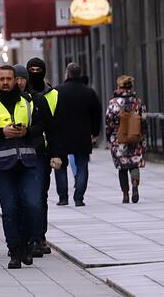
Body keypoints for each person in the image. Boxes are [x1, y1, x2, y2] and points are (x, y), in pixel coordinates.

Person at [0, 65, 44, 269]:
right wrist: (2, 132)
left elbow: (41, 127)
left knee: (32, 205)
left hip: (27, 162)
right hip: (1, 165)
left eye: (9, 79)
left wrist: (26, 132)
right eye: (1, 79)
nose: (5, 82)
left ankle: (27, 243)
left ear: (16, 80)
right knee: (10, 209)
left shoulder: (28, 101)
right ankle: (15, 251)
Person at [25, 58, 62, 257]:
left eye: (39, 69)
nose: (35, 73)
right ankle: (30, 235)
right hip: (25, 149)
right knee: (30, 197)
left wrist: (57, 152)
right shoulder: (22, 95)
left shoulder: (53, 94)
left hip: (44, 150)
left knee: (41, 195)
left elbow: (56, 125)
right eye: (32, 70)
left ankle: (39, 235)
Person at [52, 63, 102, 207]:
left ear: (67, 74)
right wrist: (95, 132)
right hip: (82, 134)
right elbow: (96, 113)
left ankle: (63, 197)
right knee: (82, 165)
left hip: (61, 135)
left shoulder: (57, 91)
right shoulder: (89, 92)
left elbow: (51, 113)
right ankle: (79, 197)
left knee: (60, 166)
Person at [106, 75, 147, 204]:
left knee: (122, 167)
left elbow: (109, 122)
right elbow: (144, 120)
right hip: (135, 138)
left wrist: (109, 137)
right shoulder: (138, 102)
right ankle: (135, 184)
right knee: (134, 164)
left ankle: (125, 194)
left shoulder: (114, 103)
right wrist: (143, 135)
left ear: (119, 87)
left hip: (119, 139)